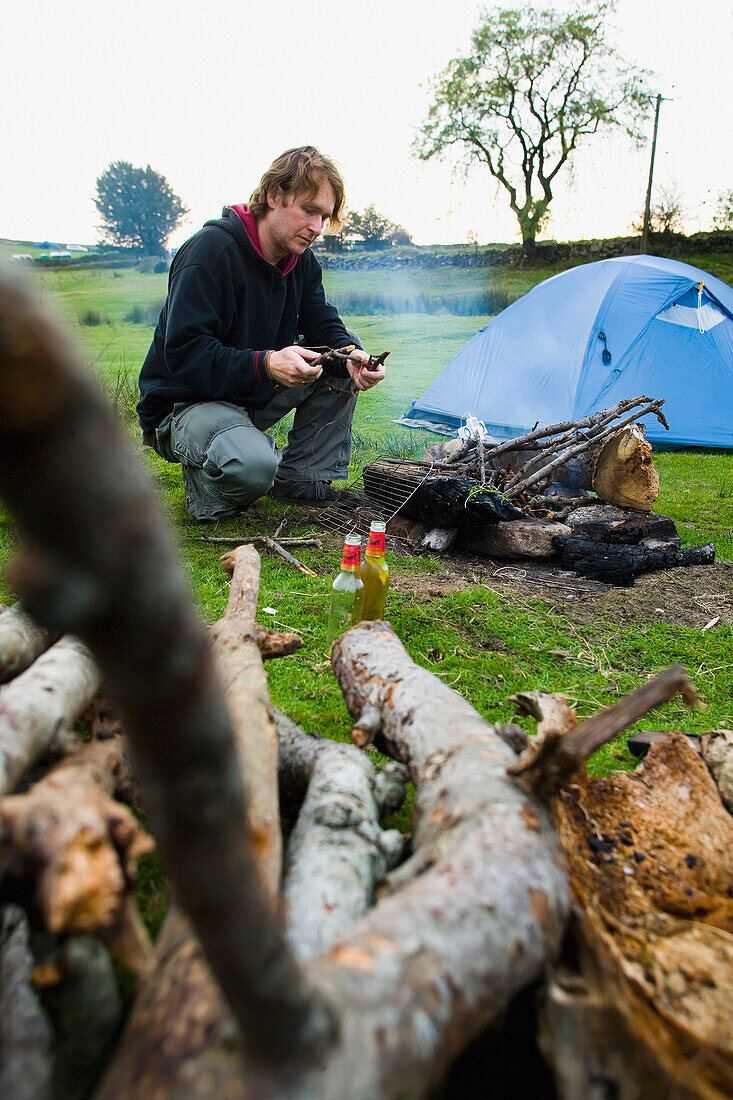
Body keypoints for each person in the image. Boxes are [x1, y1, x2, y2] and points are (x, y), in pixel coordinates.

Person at [137, 146, 385, 521]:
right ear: (273, 196)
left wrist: (353, 357)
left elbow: (321, 321)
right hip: (184, 405)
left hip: (247, 393)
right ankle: (211, 486)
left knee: (344, 352)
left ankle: (304, 479)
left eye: (324, 216)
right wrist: (266, 364)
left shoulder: (299, 261)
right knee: (251, 466)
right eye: (309, 210)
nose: (317, 228)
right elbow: (185, 354)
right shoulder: (210, 252)